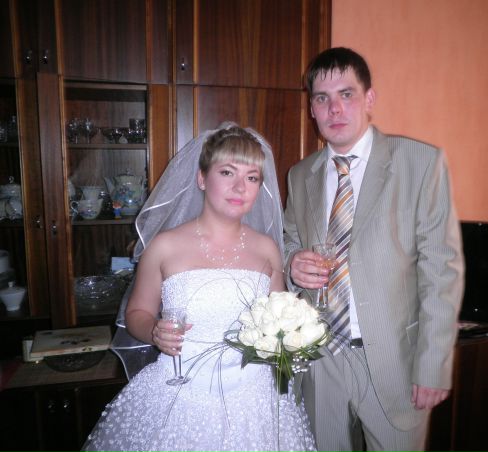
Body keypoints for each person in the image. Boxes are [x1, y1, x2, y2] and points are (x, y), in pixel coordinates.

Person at [82, 123, 317, 452]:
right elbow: (137, 313)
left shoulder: (267, 249)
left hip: (254, 399)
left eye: (252, 177)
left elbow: (278, 319)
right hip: (180, 392)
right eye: (227, 172)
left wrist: (294, 335)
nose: (240, 187)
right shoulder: (164, 246)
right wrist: (154, 332)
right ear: (202, 178)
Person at [283, 47, 465, 452]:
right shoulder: (300, 175)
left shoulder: (420, 163)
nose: (334, 108)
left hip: (394, 360)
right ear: (311, 109)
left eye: (346, 94)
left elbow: (442, 271)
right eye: (322, 98)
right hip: (321, 359)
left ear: (369, 99)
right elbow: (288, 240)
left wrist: (433, 364)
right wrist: (292, 262)